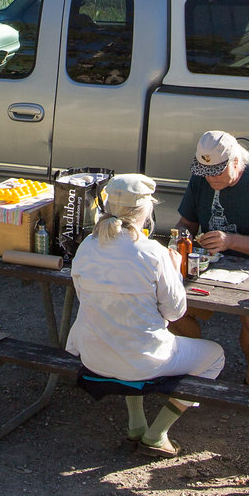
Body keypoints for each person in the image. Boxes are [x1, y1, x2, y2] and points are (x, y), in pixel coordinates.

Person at [65, 173, 225, 455]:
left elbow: (85, 298)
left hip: (93, 355)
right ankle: (157, 433)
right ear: (145, 211)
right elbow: (176, 313)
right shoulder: (153, 252)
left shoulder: (86, 247)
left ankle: (136, 425)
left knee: (126, 332)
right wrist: (174, 270)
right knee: (214, 356)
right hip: (141, 360)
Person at [169, 130, 249, 389]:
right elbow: (186, 224)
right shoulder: (202, 178)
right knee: (169, 302)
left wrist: (231, 240)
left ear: (236, 162)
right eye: (205, 171)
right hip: (209, 265)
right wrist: (179, 242)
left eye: (218, 171)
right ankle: (197, 362)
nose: (211, 177)